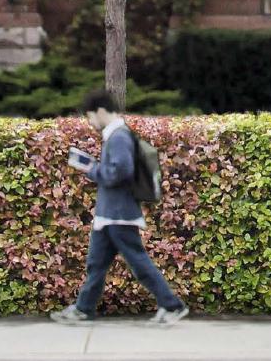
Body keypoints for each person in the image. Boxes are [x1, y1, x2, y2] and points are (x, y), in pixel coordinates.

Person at [50, 89, 188, 326]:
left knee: (138, 262)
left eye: (90, 116)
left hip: (119, 214)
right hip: (109, 215)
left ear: (100, 111)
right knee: (96, 265)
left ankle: (172, 306)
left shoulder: (118, 136)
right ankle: (83, 309)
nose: (90, 122)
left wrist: (92, 169)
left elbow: (121, 171)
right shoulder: (117, 135)